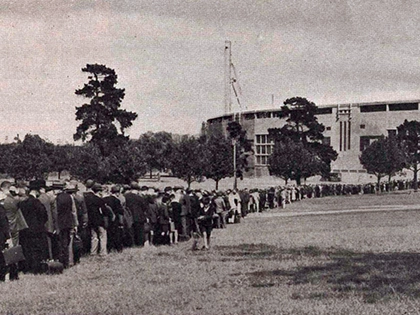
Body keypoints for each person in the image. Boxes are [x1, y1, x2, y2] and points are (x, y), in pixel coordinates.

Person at [19, 181, 49, 273]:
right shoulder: (37, 203)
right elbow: (44, 216)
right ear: (37, 191)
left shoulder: (22, 203)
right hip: (37, 229)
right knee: (36, 249)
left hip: (25, 229)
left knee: (27, 248)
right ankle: (36, 268)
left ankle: (26, 267)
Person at [1, 181, 28, 281]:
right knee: (14, 251)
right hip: (13, 227)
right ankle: (13, 273)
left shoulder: (4, 201)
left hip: (3, 229)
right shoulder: (12, 200)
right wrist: (17, 192)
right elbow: (25, 198)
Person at [55, 183, 78, 268]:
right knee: (67, 243)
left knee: (60, 243)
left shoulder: (56, 198)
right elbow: (73, 211)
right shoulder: (70, 197)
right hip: (69, 222)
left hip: (60, 223)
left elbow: (56, 212)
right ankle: (68, 262)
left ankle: (62, 261)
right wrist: (75, 224)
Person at [84, 183, 110, 256]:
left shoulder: (88, 199)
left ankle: (93, 251)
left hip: (91, 220)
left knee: (94, 237)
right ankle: (103, 252)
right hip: (99, 220)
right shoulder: (100, 200)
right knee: (103, 236)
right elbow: (104, 211)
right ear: (100, 191)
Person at [0, 191, 11, 282]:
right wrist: (8, 237)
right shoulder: (1, 209)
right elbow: (4, 224)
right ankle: (5, 276)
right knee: (3, 256)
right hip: (1, 236)